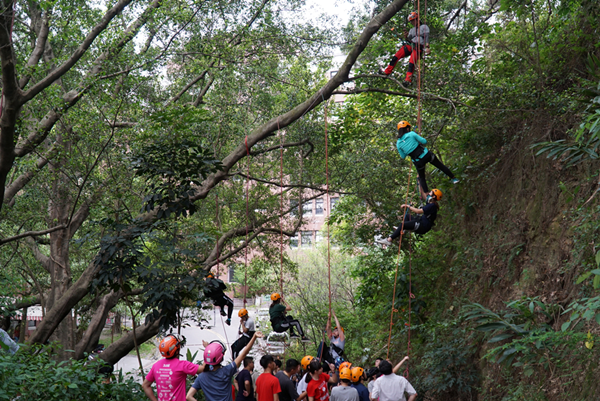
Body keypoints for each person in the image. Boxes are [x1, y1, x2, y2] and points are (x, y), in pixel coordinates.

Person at [187, 331, 263, 401]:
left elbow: (188, 396)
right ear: (221, 358)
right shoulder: (227, 371)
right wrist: (254, 337)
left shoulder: (201, 377)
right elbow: (243, 354)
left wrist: (208, 349)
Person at [394, 121, 458, 192]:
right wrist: (417, 141)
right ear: (407, 128)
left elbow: (403, 156)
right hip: (426, 155)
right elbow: (424, 141)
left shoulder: (398, 143)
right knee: (440, 166)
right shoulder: (411, 134)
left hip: (418, 162)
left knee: (422, 178)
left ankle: (428, 195)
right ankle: (454, 178)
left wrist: (408, 149)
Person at [142, 334, 203, 401]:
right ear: (177, 350)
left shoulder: (156, 366)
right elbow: (203, 368)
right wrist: (208, 350)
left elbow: (145, 385)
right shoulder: (182, 365)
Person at [381, 12, 430, 86]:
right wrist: (406, 36)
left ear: (417, 19)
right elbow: (408, 39)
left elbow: (426, 37)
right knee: (396, 56)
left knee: (411, 63)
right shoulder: (412, 30)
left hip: (418, 47)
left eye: (413, 20)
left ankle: (408, 80)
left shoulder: (424, 27)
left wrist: (427, 47)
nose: (412, 22)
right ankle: (386, 72)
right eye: (411, 21)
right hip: (411, 45)